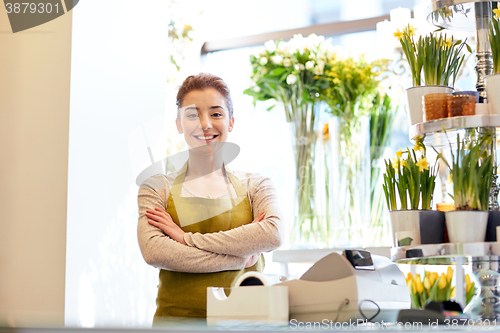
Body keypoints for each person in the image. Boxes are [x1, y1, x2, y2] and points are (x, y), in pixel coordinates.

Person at [137, 73, 284, 323]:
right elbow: (156, 252)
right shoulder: (156, 187)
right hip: (176, 323)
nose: (205, 124)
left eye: (216, 113)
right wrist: (240, 258)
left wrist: (184, 238)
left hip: (248, 323)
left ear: (231, 121)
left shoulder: (256, 185)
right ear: (179, 124)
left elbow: (272, 234)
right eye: (192, 115)